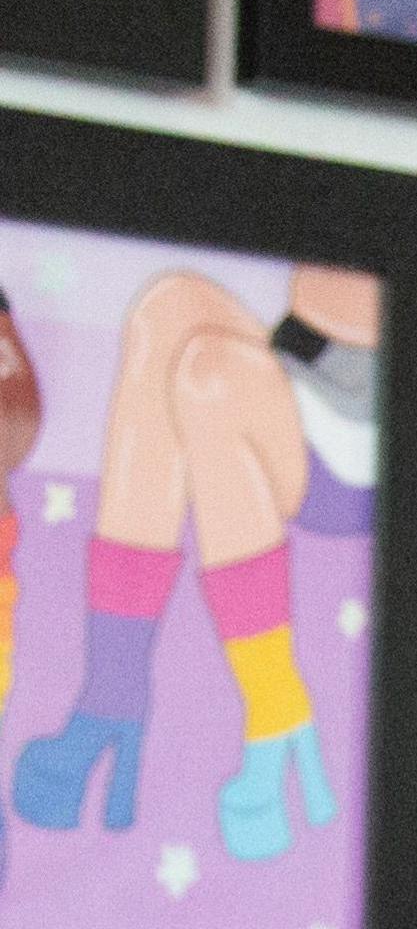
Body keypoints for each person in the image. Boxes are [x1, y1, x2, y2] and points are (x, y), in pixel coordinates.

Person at [10, 265, 379, 867]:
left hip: (366, 423)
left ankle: (274, 705)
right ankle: (112, 691)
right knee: (168, 305)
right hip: (304, 363)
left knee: (210, 372)